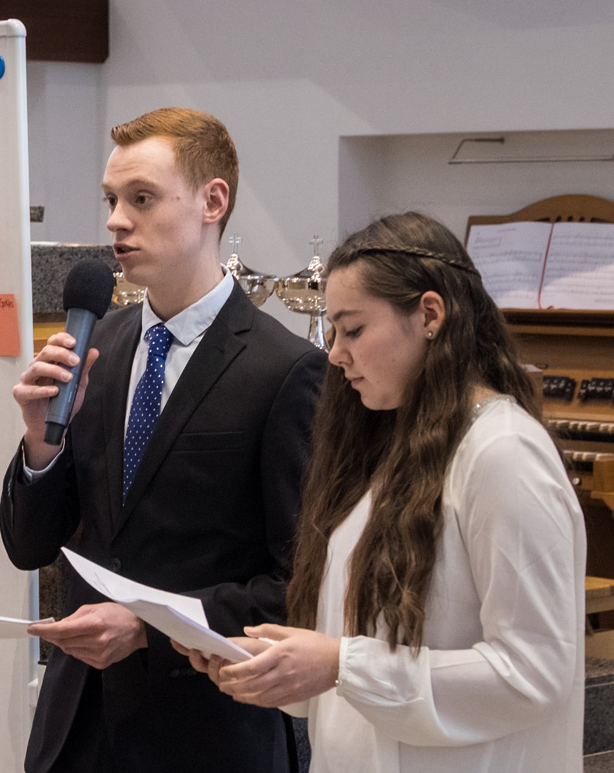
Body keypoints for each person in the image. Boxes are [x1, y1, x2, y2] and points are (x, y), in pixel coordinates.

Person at [178, 212, 585, 772]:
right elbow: (360, 651)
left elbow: (535, 672)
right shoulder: (390, 448)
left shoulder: (504, 454)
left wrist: (340, 664)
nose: (335, 353)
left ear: (430, 315)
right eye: (333, 332)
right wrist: (281, 666)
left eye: (353, 330)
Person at [0, 107, 326, 773]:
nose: (117, 221)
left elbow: (300, 586)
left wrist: (149, 628)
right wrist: (40, 448)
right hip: (78, 727)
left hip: (206, 732)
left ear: (212, 202)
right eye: (111, 200)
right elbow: (30, 546)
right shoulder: (96, 346)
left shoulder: (286, 370)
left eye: (142, 198)